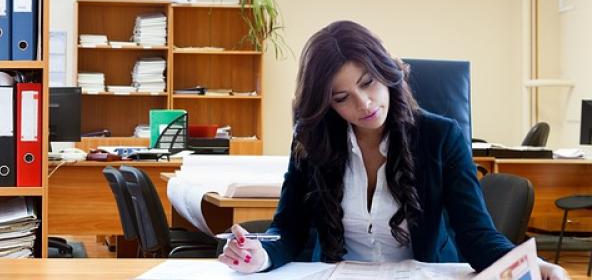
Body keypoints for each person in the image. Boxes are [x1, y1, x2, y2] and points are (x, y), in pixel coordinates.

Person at [217, 21, 568, 279]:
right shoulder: (311, 142)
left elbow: (476, 233)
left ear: (385, 71)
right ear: (327, 106)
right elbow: (288, 228)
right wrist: (259, 253)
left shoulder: (441, 137)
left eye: (368, 82)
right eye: (342, 98)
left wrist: (530, 263)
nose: (364, 103)